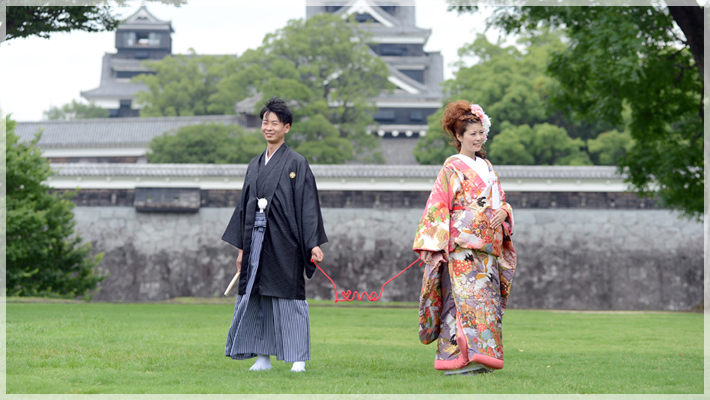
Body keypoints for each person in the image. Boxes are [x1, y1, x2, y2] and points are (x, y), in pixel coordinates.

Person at [222, 97, 328, 372]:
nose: (268, 128)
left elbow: (307, 205)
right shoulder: (254, 165)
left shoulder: (297, 163)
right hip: (255, 238)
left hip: (285, 240)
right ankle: (263, 357)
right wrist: (242, 250)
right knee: (257, 294)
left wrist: (312, 243)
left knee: (289, 295)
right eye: (265, 123)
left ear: (287, 127)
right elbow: (244, 208)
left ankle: (298, 359)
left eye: (274, 123)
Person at [413, 100, 517, 375]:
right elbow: (437, 205)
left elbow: (502, 200)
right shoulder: (452, 166)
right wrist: (432, 244)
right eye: (473, 134)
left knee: (486, 302)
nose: (479, 138)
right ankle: (457, 357)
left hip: (487, 247)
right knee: (462, 301)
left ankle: (482, 356)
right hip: (461, 246)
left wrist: (504, 212)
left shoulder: (487, 166)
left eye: (481, 133)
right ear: (458, 136)